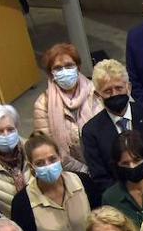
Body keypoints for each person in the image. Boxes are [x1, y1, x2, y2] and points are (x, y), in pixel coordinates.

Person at [10, 133, 96, 231]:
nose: (48, 165)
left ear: (60, 158)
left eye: (52, 159)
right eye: (40, 163)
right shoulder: (22, 203)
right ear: (31, 167)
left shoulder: (84, 182)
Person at [82, 59, 143, 195]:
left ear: (128, 87)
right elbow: (100, 177)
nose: (115, 94)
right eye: (107, 91)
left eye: (119, 88)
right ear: (97, 95)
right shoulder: (91, 131)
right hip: (121, 199)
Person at [32, 42, 102, 174]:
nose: (64, 71)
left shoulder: (96, 92)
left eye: (69, 65)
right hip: (72, 172)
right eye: (58, 68)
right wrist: (84, 171)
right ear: (51, 73)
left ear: (78, 67)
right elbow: (51, 149)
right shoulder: (43, 104)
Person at [100, 131, 143, 226]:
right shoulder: (110, 198)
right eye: (125, 163)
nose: (132, 166)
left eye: (137, 160)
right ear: (117, 165)